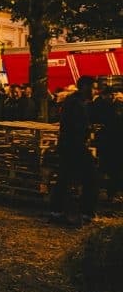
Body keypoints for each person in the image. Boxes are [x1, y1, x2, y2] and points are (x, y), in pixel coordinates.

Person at [50, 76, 98, 224]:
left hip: (68, 146)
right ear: (84, 87)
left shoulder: (73, 101)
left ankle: (57, 211)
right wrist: (89, 130)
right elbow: (75, 127)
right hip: (74, 147)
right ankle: (86, 212)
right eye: (93, 88)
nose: (95, 91)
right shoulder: (77, 104)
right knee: (91, 176)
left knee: (64, 177)